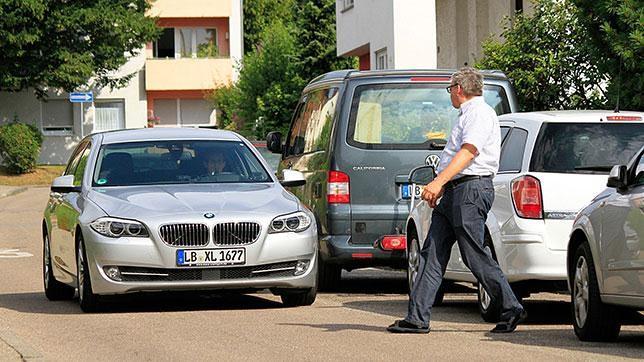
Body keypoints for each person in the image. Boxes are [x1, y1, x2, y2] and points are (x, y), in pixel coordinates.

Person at [387, 67, 526, 334]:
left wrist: (438, 181)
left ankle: (510, 306)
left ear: (458, 89)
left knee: (473, 253)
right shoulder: (469, 114)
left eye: (450, 88)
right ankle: (417, 317)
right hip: (454, 191)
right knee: (432, 254)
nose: (450, 93)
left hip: (470, 191)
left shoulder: (479, 114)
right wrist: (442, 185)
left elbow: (468, 152)